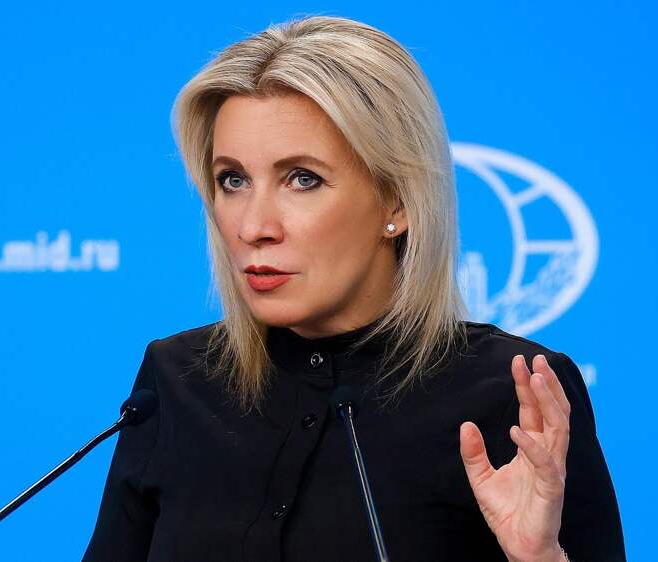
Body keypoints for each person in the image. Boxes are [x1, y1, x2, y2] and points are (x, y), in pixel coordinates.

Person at [83, 15, 624, 562]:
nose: (253, 226)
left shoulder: (515, 391)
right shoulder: (174, 380)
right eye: (233, 180)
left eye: (303, 179)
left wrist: (540, 558)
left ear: (398, 201)